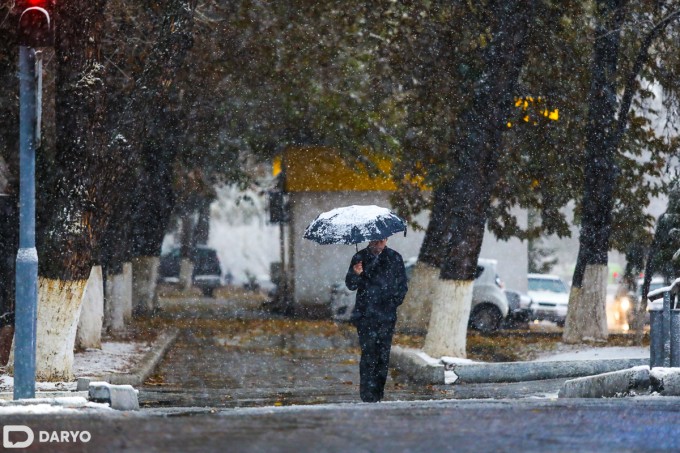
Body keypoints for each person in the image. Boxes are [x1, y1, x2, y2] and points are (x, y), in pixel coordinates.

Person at [345, 238, 408, 403]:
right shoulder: (360, 257)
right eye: (376, 241)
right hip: (365, 315)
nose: (379, 244)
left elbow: (402, 285)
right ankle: (367, 394)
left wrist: (393, 302)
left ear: (386, 240)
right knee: (368, 354)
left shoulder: (394, 257)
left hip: (386, 315)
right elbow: (350, 284)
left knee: (383, 355)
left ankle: (378, 392)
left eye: (382, 240)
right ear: (370, 241)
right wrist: (355, 273)